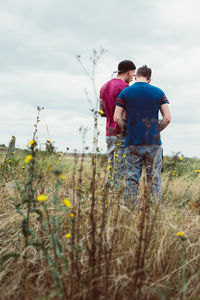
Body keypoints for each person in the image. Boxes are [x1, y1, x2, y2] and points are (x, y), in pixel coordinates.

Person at [114, 65, 171, 203]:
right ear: (149, 79)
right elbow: (167, 118)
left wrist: (128, 131)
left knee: (131, 179)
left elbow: (117, 118)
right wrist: (155, 130)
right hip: (153, 143)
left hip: (133, 142)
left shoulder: (125, 93)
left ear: (135, 76)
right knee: (154, 180)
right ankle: (154, 212)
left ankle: (129, 211)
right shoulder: (159, 92)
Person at [100, 60, 136, 187]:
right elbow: (126, 114)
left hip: (108, 132)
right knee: (119, 171)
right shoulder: (125, 88)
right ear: (129, 72)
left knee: (112, 168)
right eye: (133, 75)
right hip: (121, 133)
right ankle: (113, 200)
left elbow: (102, 112)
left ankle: (106, 199)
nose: (132, 79)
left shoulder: (104, 86)